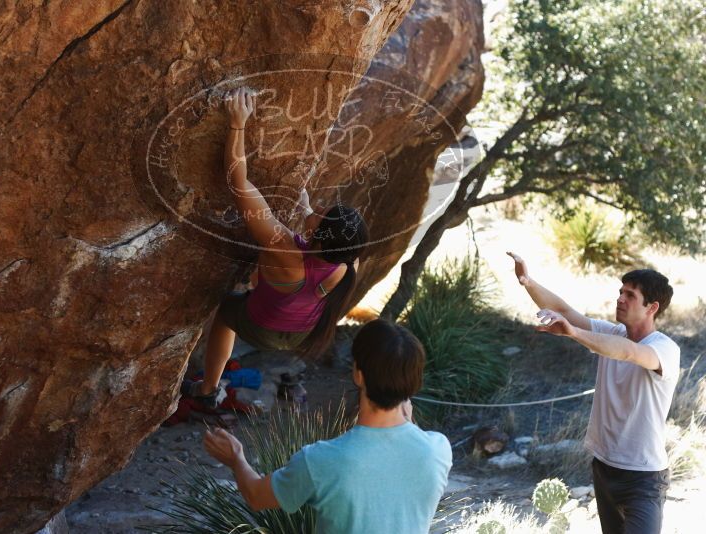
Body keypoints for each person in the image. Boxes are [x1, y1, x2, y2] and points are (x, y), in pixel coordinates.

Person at [187, 87, 369, 408]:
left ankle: (208, 389)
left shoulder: (282, 248)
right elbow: (314, 254)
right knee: (267, 281)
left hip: (264, 328)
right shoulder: (345, 262)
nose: (319, 207)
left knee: (228, 310)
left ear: (321, 238)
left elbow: (238, 182)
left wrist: (238, 122)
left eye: (322, 213)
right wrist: (307, 213)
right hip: (300, 332)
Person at [202, 319, 453, 533]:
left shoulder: (320, 461)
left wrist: (236, 458)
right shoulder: (438, 450)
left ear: (358, 374)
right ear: (414, 381)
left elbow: (256, 496)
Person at [507, 252, 680, 534]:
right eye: (620, 292)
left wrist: (574, 333)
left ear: (652, 307)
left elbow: (628, 352)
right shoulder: (611, 333)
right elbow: (563, 310)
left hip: (643, 478)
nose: (620, 299)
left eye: (631, 295)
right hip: (603, 468)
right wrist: (527, 282)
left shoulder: (665, 349)